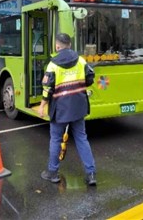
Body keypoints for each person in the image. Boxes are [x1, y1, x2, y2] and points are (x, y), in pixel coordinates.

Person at [38, 33, 97, 186]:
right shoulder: (80, 60)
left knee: (56, 139)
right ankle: (91, 174)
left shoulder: (53, 64)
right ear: (69, 45)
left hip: (60, 108)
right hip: (78, 106)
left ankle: (53, 173)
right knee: (82, 138)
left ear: (57, 46)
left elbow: (47, 87)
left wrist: (43, 105)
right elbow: (90, 77)